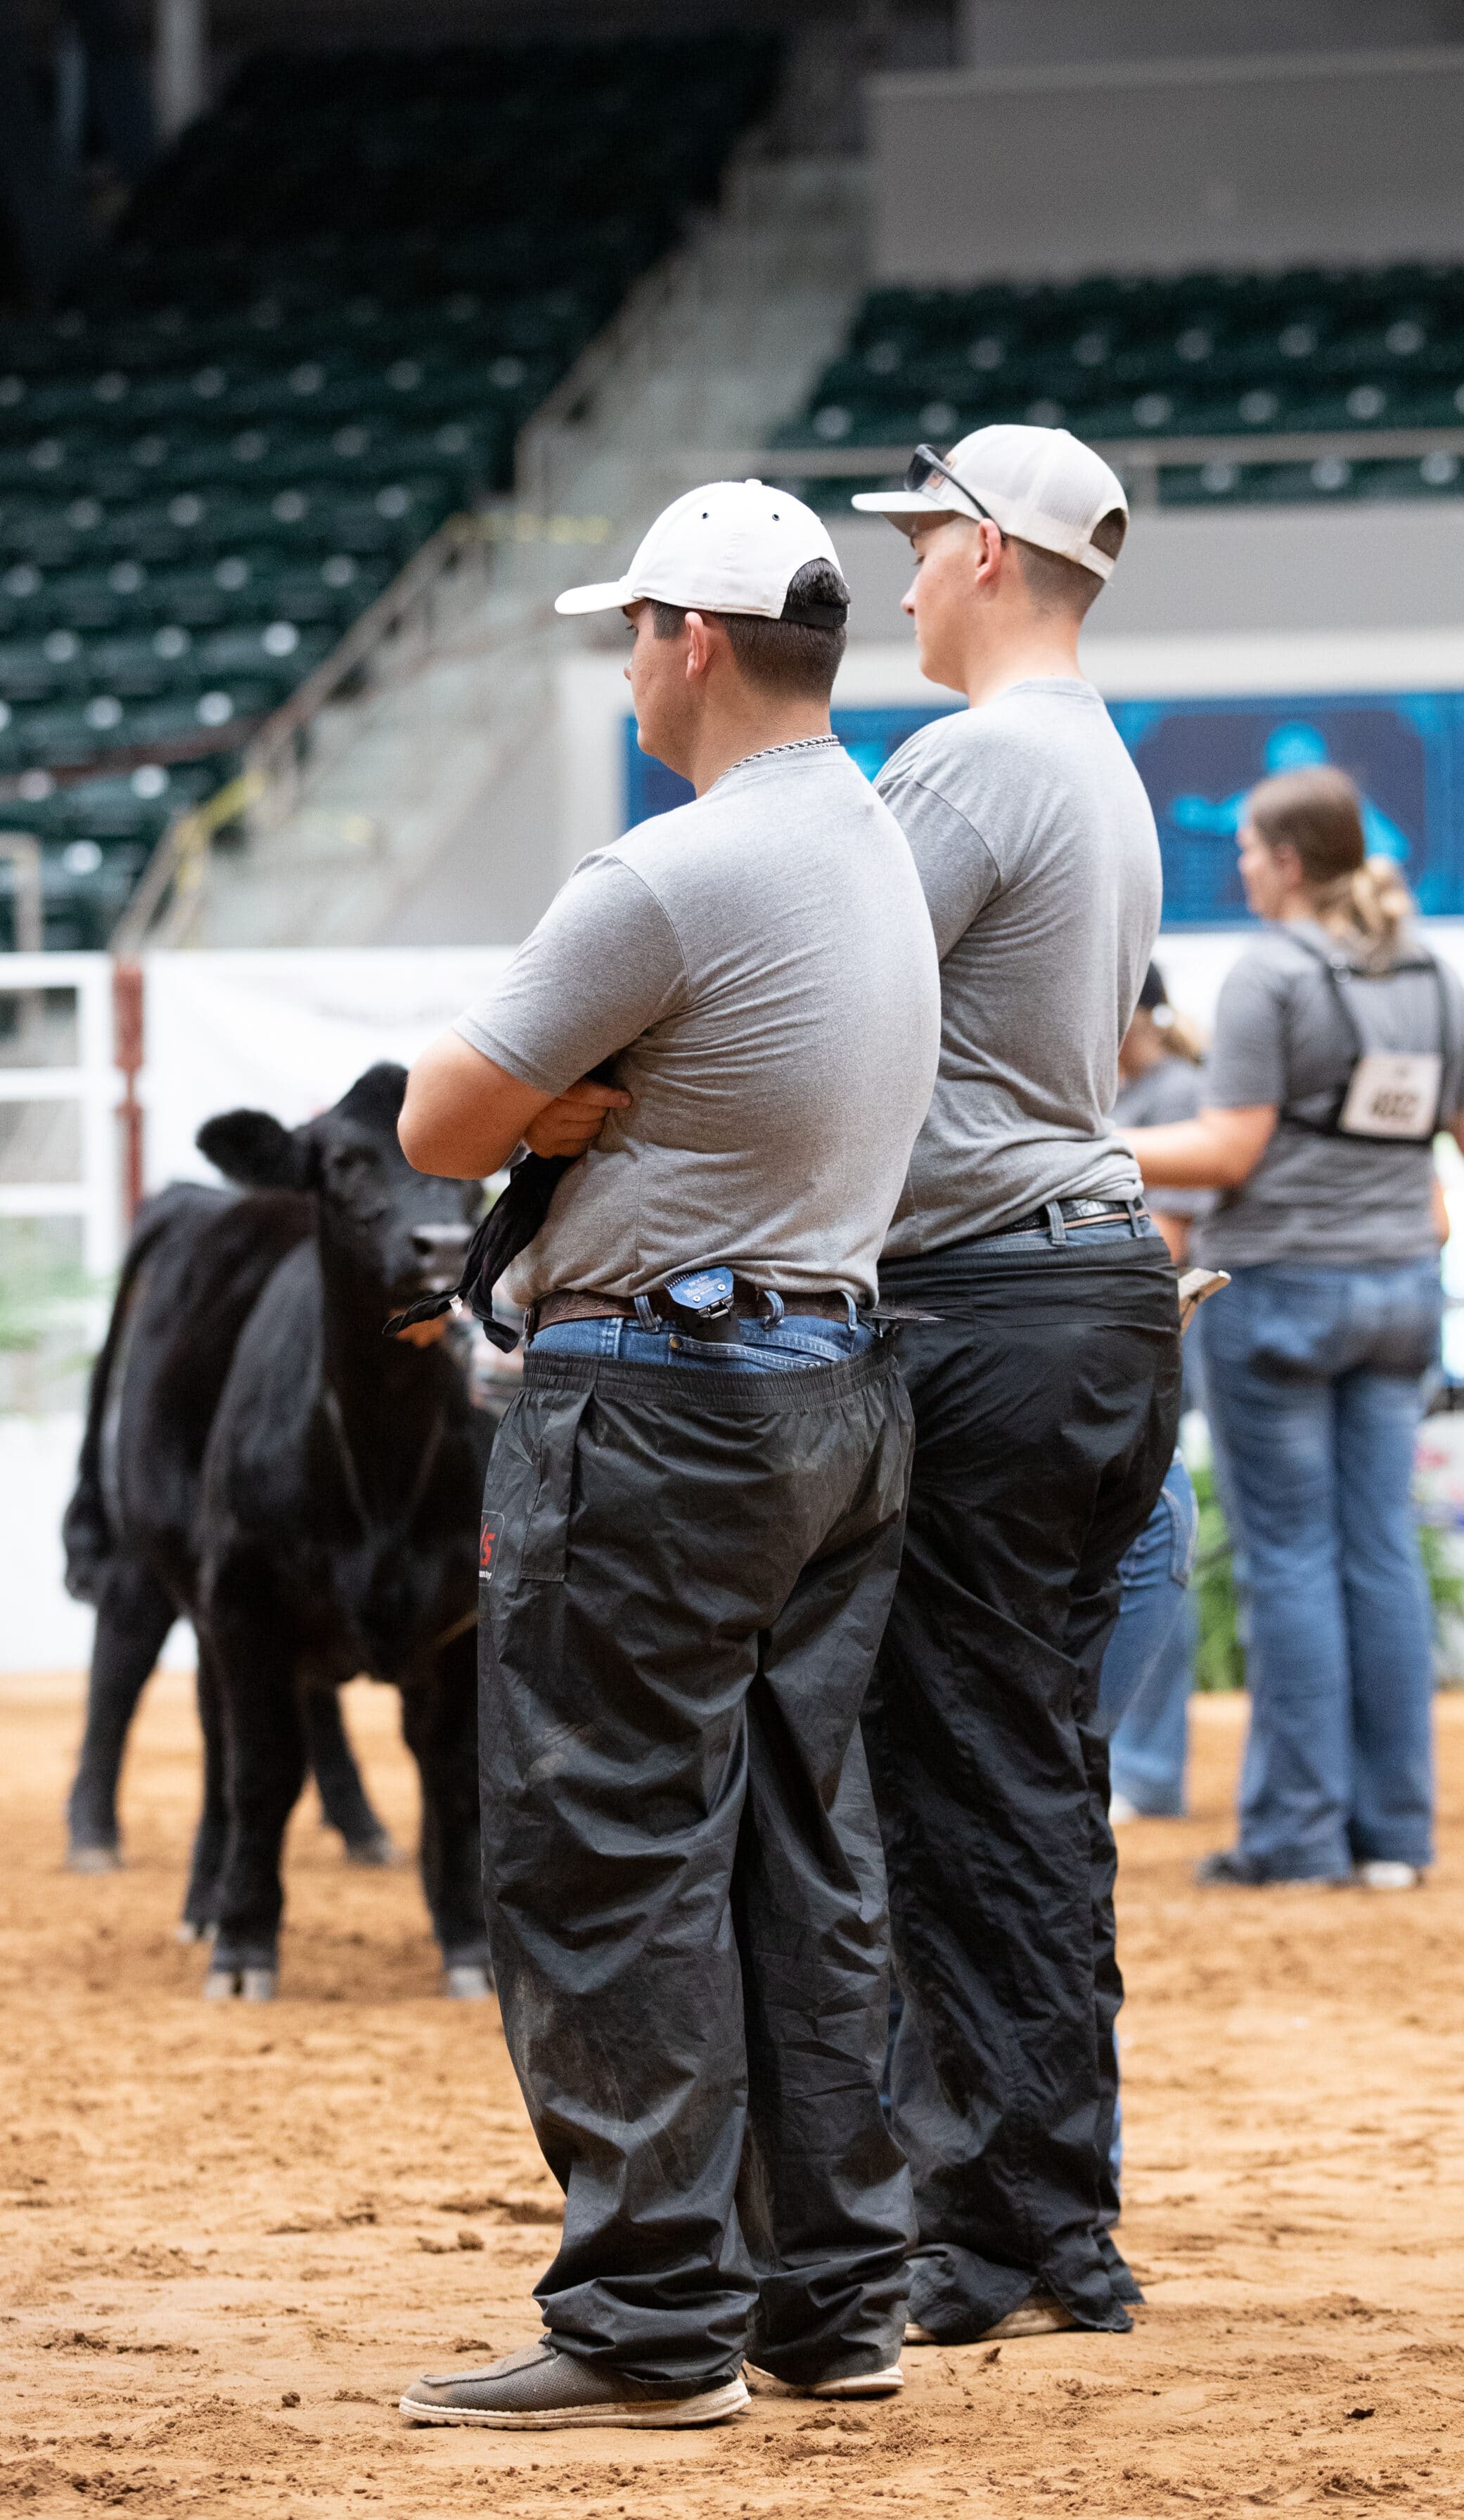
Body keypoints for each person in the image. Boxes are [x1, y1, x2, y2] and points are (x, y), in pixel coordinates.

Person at [392, 482, 942, 2426]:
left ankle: (644, 2320)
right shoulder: (872, 836)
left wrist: (565, 1114)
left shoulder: (664, 876)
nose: (626, 661)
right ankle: (836, 2295)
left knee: (608, 1839)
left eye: (634, 628)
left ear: (693, 644)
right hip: (834, 1392)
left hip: (657, 1411)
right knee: (806, 1840)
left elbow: (440, 1124)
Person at [848, 426, 1182, 2346]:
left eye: (916, 549)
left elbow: (822, 975)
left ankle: (987, 2227)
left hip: (984, 1306)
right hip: (1090, 1307)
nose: (899, 584)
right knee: (1038, 1770)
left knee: (965, 1771)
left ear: (988, 554)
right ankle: (1057, 2216)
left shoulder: (972, 759)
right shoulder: (1104, 761)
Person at [1119, 764, 1464, 1892]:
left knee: (1290, 1561)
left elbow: (1227, 1152)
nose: (1237, 867)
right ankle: (1394, 1839)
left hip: (1282, 1289)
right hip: (1400, 1295)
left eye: (1245, 850)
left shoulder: (1269, 976)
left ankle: (1295, 1838)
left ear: (1286, 861)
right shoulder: (1430, 975)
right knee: (1380, 1556)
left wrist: (1074, 1152)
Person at [1097, 965, 1208, 1821]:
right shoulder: (1139, 1092)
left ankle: (1147, 1764)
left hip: (1148, 1346)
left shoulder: (1173, 1095)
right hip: (1118, 1347)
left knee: (1153, 1538)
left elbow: (1163, 1241)